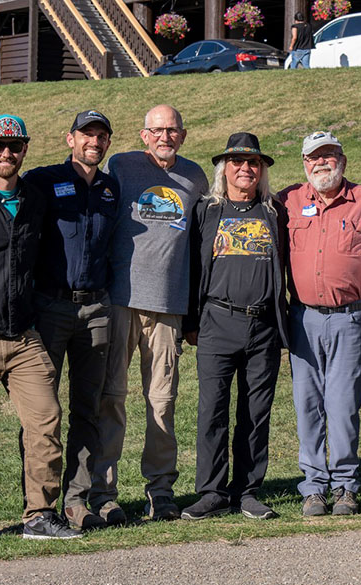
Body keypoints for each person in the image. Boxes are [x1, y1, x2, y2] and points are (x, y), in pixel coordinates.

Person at [0, 110, 120, 532]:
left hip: (23, 336)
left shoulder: (37, 195)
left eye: (14, 146)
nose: (6, 153)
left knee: (45, 420)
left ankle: (40, 513)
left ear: (24, 150)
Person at [94, 104, 209, 523]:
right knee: (112, 400)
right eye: (157, 130)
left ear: (183, 134)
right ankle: (103, 492)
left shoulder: (194, 176)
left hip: (168, 307)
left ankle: (160, 491)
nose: (165, 137)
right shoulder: (121, 166)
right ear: (144, 135)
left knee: (162, 402)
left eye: (172, 130)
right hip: (120, 300)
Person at [279, 132, 361, 517]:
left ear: (343, 159)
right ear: (304, 163)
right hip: (303, 318)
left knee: (343, 405)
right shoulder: (287, 200)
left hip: (349, 317)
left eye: (329, 156)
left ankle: (344, 485)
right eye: (314, 158)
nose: (321, 163)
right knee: (307, 404)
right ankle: (313, 486)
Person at [182, 132, 289, 521]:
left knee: (256, 412)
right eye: (237, 162)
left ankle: (248, 491)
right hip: (216, 321)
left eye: (253, 163)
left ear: (262, 171)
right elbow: (192, 268)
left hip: (262, 326)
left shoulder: (276, 213)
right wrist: (190, 322)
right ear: (224, 168)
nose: (246, 168)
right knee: (212, 410)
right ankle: (211, 492)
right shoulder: (206, 211)